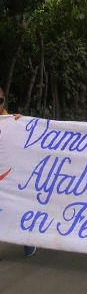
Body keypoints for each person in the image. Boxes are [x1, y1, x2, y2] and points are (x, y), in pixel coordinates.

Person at [0, 87, 34, 257]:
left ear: (4, 100)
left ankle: (27, 240)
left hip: (10, 174)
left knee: (15, 207)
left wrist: (22, 124)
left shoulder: (12, 121)